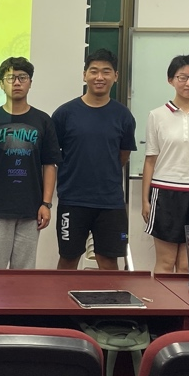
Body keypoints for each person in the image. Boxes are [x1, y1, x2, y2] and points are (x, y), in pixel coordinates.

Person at [51, 49, 137, 271]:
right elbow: (53, 154)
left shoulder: (123, 116)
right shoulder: (64, 114)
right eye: (94, 71)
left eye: (106, 72)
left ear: (115, 76)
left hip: (110, 202)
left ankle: (109, 297)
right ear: (84, 75)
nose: (100, 77)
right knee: (68, 259)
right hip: (72, 199)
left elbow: (123, 155)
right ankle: (63, 296)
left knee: (108, 261)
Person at [0, 57, 61, 269]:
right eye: (10, 78)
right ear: (1, 83)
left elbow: (50, 164)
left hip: (31, 209)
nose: (16, 82)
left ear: (30, 82)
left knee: (25, 275)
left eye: (22, 77)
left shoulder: (43, 120)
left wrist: (46, 203)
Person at [141, 54, 189, 273]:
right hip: (166, 192)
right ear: (171, 80)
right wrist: (145, 200)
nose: (188, 83)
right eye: (182, 77)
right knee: (166, 263)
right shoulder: (156, 115)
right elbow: (150, 160)